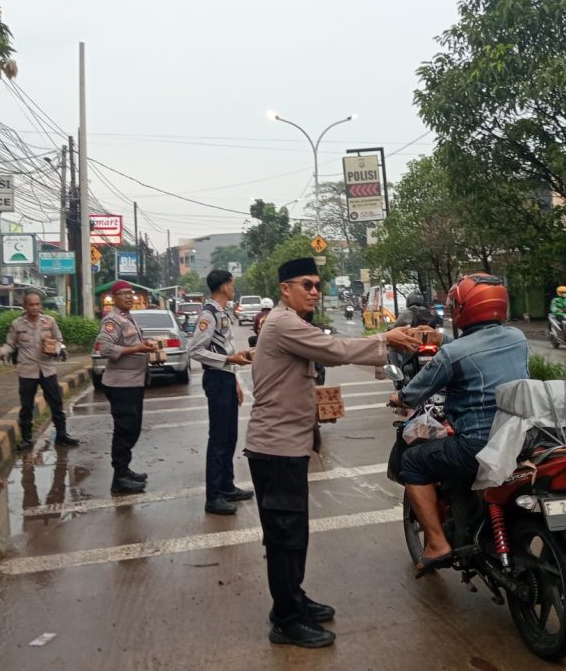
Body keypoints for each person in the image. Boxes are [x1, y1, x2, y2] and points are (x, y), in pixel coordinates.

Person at [245, 257, 421, 650]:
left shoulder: (291, 322)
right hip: (275, 449)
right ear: (285, 289)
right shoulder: (283, 322)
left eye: (316, 285)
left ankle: (294, 599)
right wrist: (385, 339)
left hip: (286, 446)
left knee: (294, 533)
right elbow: (335, 350)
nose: (313, 290)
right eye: (305, 284)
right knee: (285, 537)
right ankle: (286, 620)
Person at [389, 273, 529, 574]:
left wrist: (397, 397)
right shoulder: (518, 338)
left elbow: (414, 393)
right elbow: (479, 348)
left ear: (464, 309)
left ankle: (438, 543)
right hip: (520, 439)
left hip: (477, 445)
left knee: (412, 463)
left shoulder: (452, 354)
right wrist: (440, 339)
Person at [188, 269, 255, 515]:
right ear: (224, 286)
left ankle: (227, 486)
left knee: (230, 437)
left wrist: (235, 379)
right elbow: (195, 350)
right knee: (218, 439)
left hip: (225, 377)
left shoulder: (222, 312)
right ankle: (213, 496)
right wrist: (229, 359)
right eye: (232, 283)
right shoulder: (208, 314)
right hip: (215, 379)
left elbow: (227, 351)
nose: (234, 286)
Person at [94, 281, 157, 494]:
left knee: (133, 427)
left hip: (134, 382)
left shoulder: (128, 318)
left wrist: (146, 346)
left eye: (131, 293)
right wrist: (138, 348)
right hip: (121, 384)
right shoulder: (112, 320)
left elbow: (131, 345)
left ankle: (124, 469)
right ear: (114, 298)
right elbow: (106, 348)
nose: (129, 297)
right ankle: (119, 478)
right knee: (125, 430)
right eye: (123, 294)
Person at [1, 292, 79, 451]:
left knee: (56, 402)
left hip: (47, 369)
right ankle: (26, 439)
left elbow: (59, 340)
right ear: (25, 306)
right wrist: (1, 353)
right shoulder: (17, 324)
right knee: (27, 405)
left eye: (37, 304)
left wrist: (57, 349)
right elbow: (10, 344)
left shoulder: (49, 322)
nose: (35, 307)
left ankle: (62, 435)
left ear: (41, 306)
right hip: (27, 371)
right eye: (31, 304)